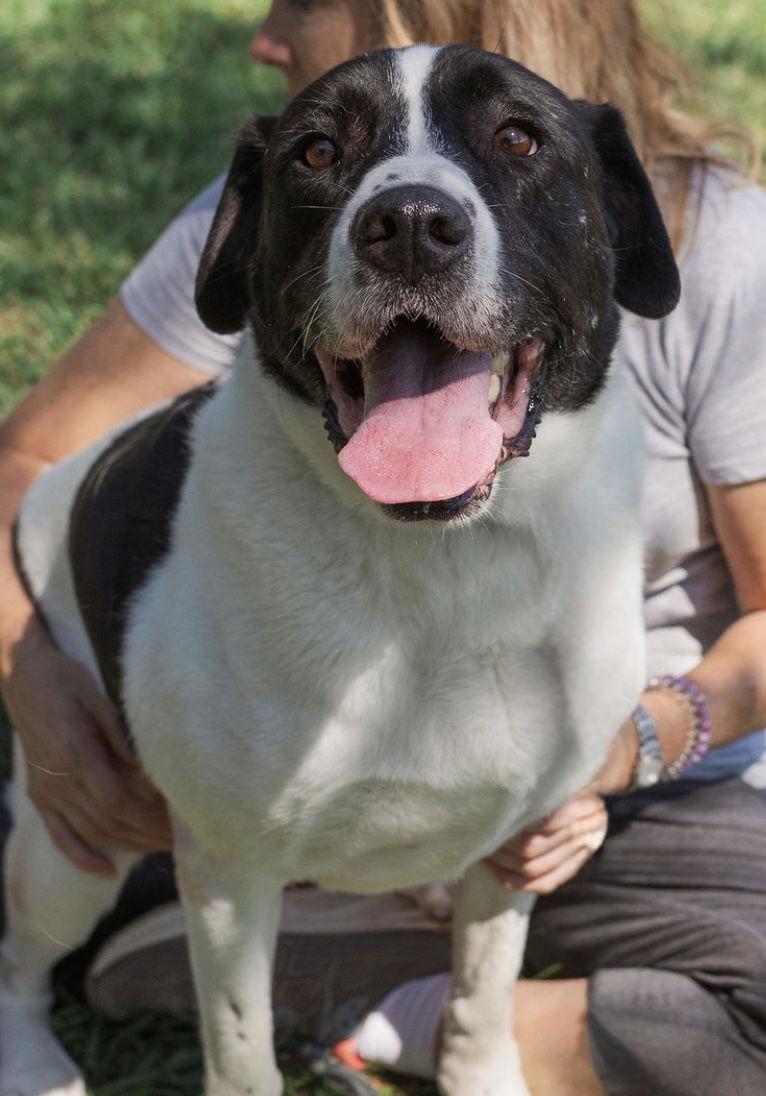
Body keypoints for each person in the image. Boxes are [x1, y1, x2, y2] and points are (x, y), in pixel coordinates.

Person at [2, 1, 766, 1093]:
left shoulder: (734, 242)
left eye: (513, 146)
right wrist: (36, 677)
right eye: (321, 152)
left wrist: (628, 744)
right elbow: (21, 467)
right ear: (251, 238)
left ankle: (411, 1001)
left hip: (629, 787)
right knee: (184, 855)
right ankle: (31, 983)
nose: (408, 213)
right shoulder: (273, 221)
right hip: (225, 799)